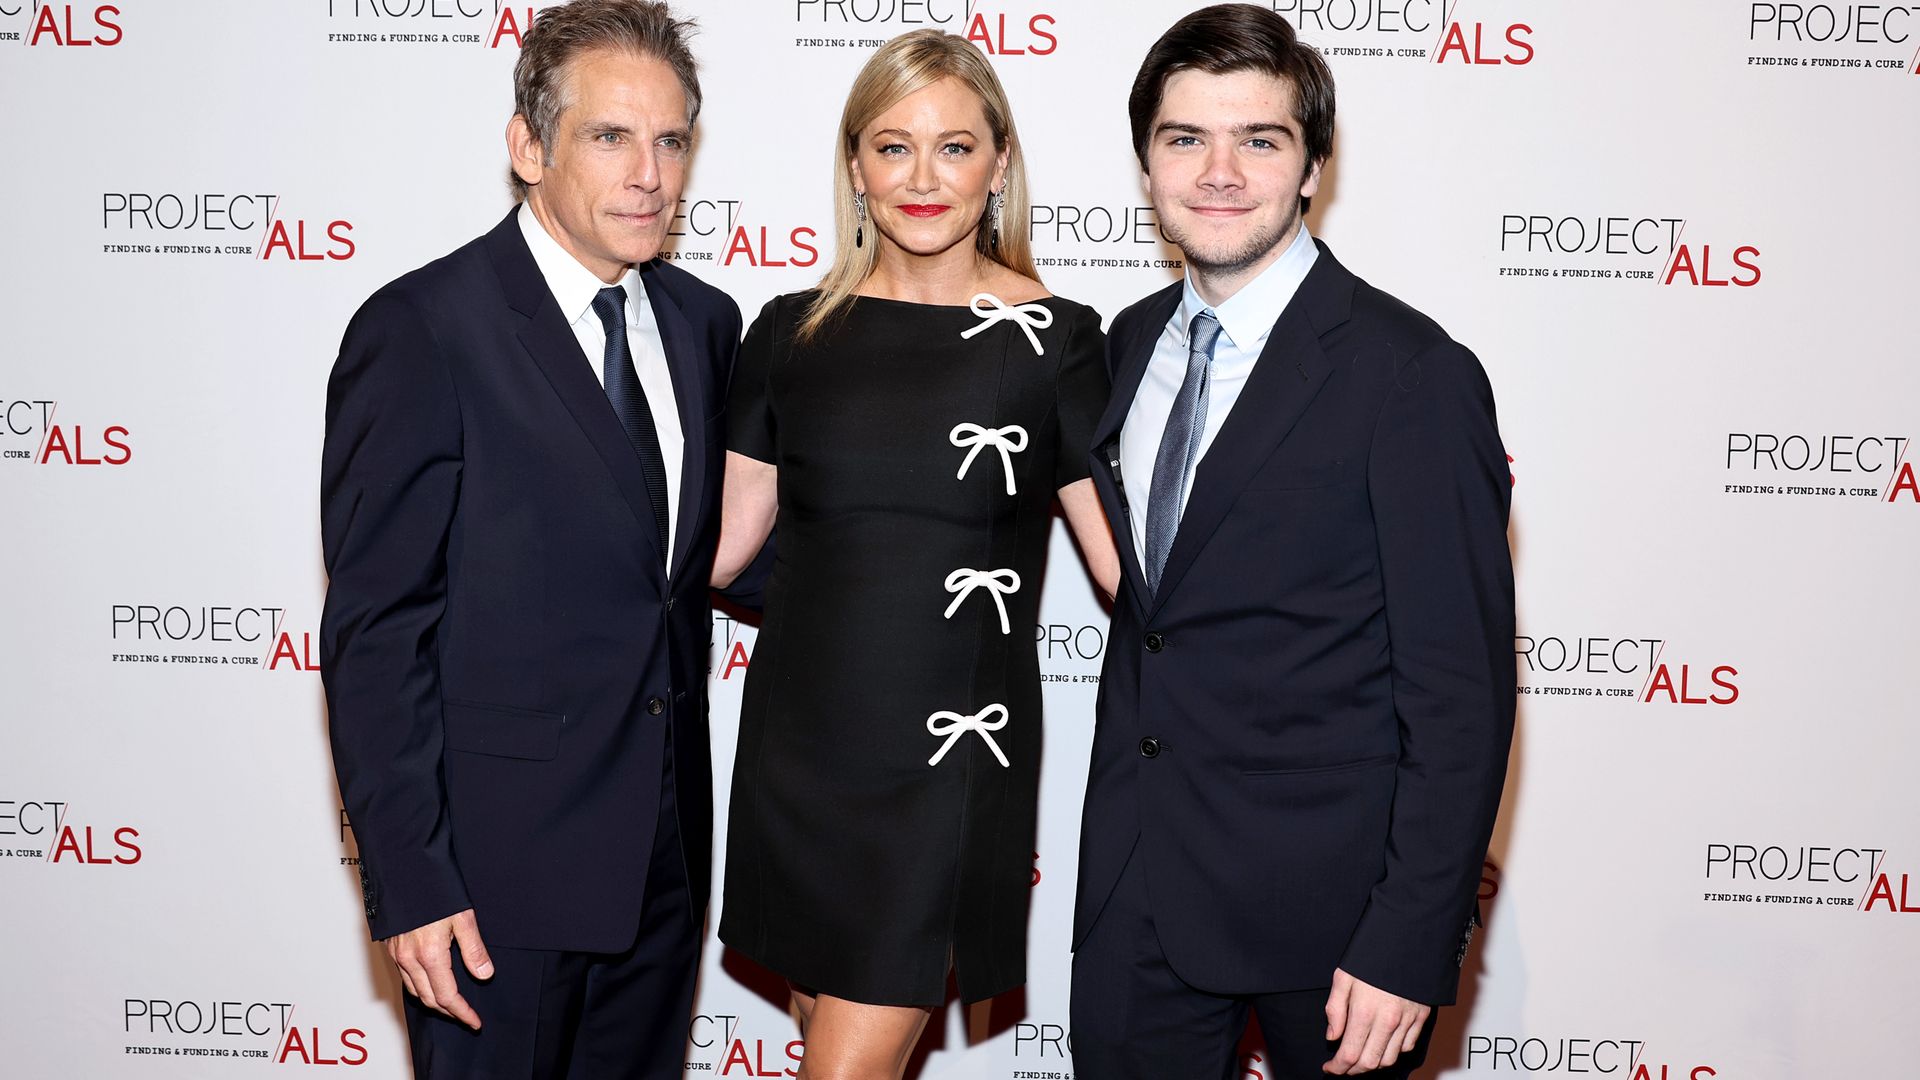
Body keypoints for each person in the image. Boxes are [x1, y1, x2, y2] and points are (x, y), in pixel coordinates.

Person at [1068, 6, 1516, 1078]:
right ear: (1146, 162)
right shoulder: (1125, 348)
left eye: (1259, 140)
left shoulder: (1411, 377)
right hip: (1139, 904)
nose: (1219, 171)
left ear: (1312, 164)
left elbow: (1461, 695)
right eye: (1186, 139)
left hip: (1336, 929)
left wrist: (1411, 942)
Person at [319, 3, 756, 1075]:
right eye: (611, 136)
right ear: (529, 148)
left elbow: (705, 561)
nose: (649, 173)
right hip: (490, 887)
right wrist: (413, 884)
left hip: (661, 867)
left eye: (670, 140)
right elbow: (378, 634)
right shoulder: (424, 327)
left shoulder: (706, 322)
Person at [709, 29, 1120, 1080]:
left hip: (948, 760)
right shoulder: (788, 332)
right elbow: (722, 553)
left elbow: (1125, 571)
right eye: (893, 148)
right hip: (803, 752)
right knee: (835, 1041)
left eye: (954, 147)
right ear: (856, 167)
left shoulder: (1059, 339)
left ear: (999, 164)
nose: (923, 178)